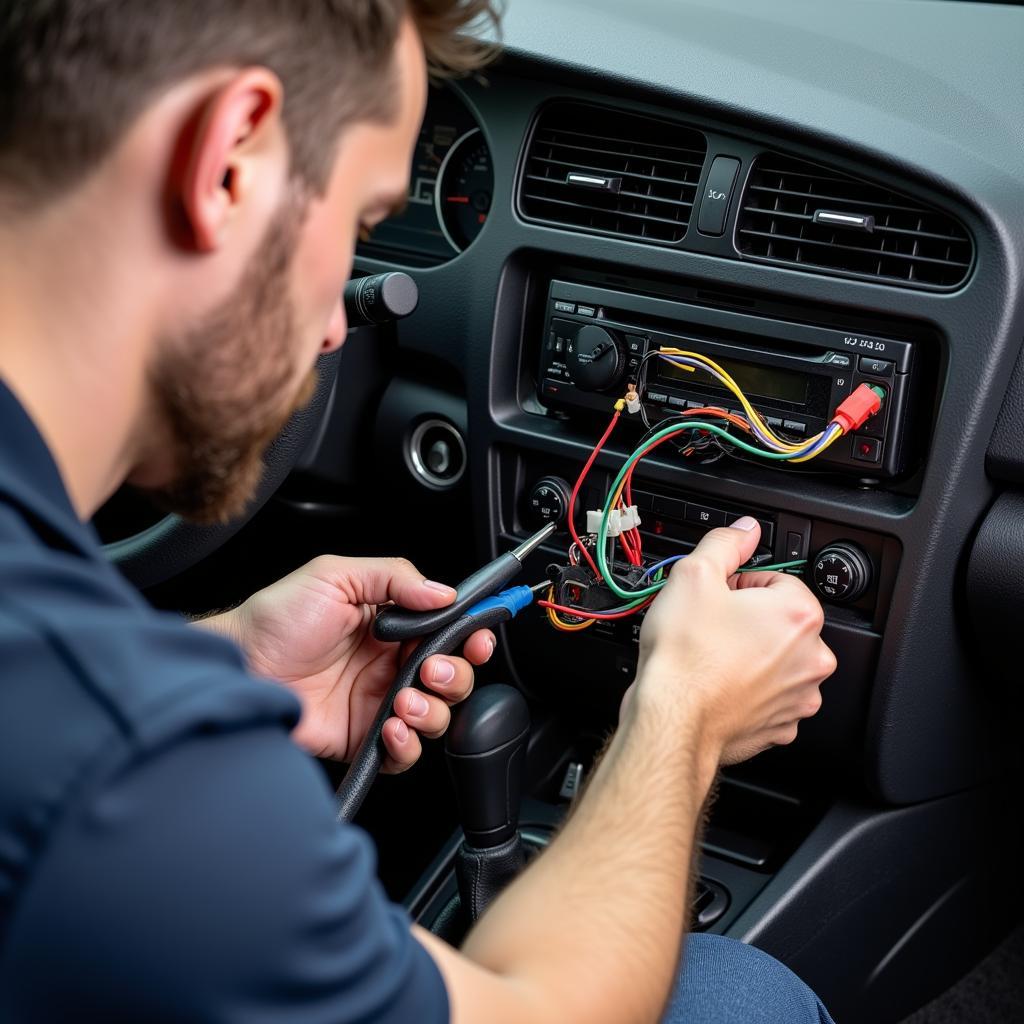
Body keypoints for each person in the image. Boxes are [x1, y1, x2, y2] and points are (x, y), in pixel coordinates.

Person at [0, 3, 837, 1021]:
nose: (331, 326)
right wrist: (684, 712)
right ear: (228, 161)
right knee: (744, 994)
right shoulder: (133, 769)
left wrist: (218, 659)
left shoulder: (88, 702)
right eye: (358, 222)